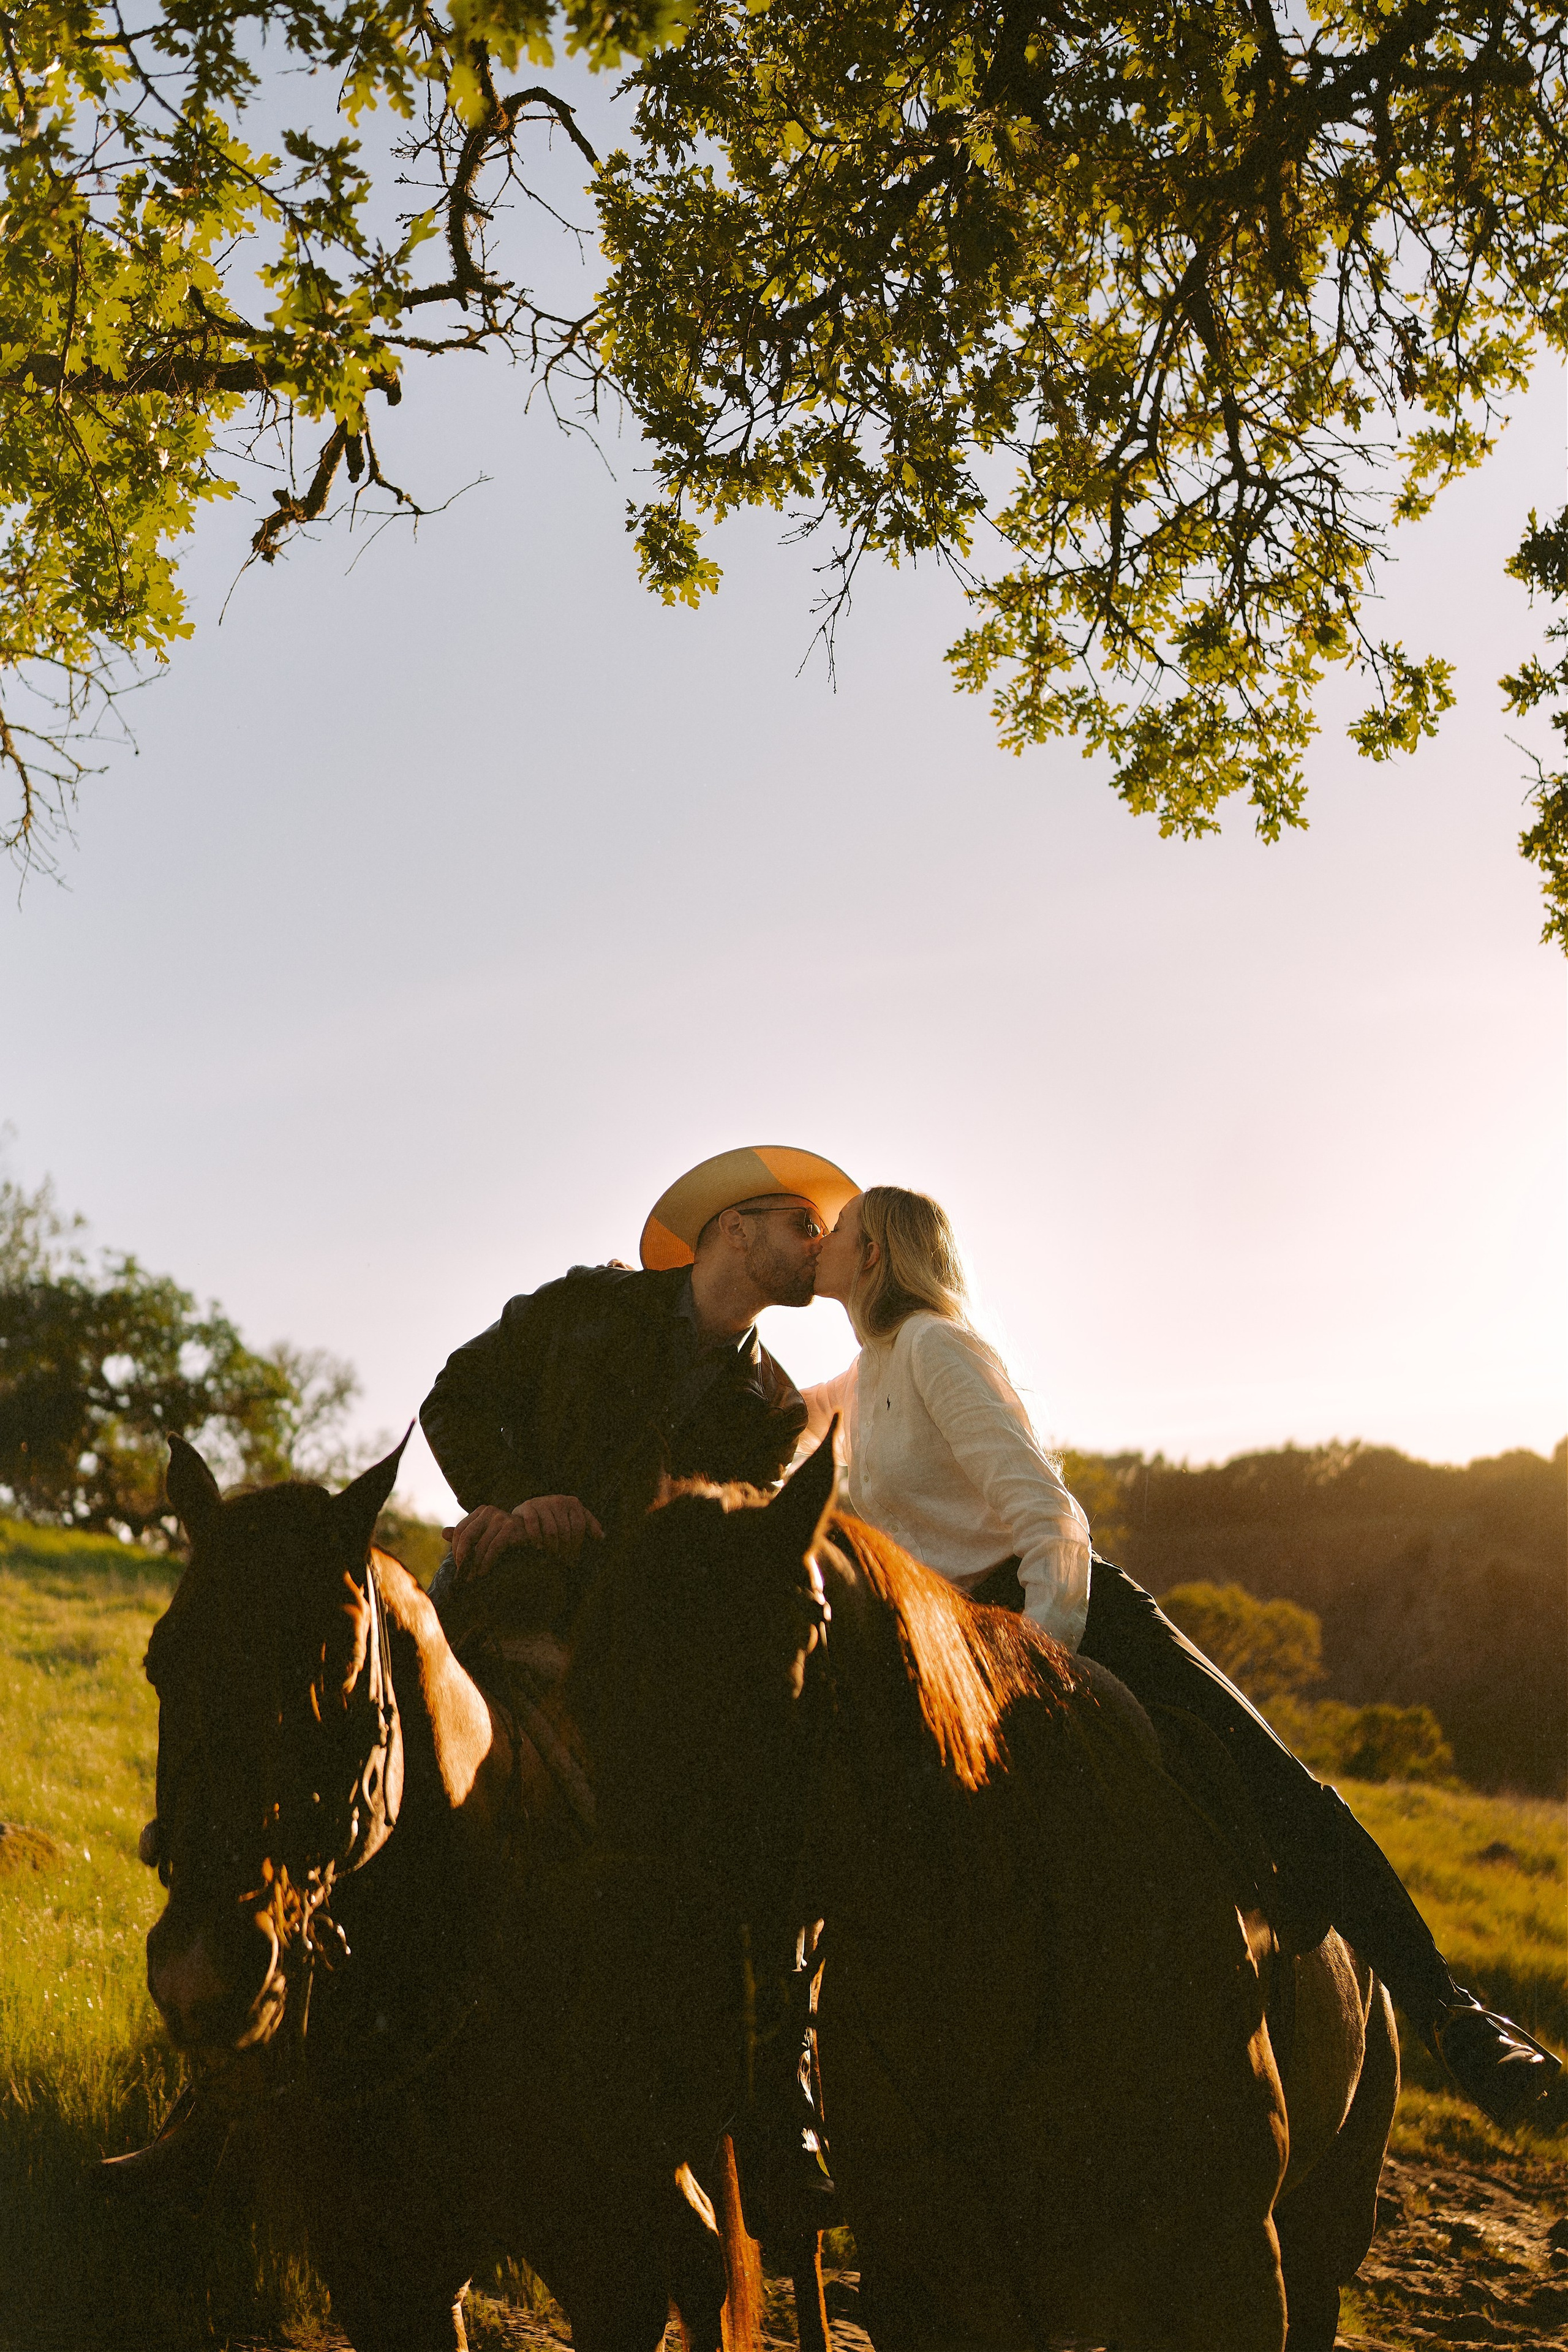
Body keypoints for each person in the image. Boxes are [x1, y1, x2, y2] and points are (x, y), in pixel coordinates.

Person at [800, 1183, 1564, 2135]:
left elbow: (1052, 1521)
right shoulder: (857, 1379)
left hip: (1057, 1621)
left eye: (834, 1229)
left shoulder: (935, 1348)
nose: (818, 1239)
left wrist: (1041, 1661)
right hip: (942, 1657)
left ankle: (1453, 2015)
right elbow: (761, 1415)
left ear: (874, 1253)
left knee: (1272, 1780)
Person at [422, 1144, 856, 1624]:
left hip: (637, 1640)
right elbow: (455, 1397)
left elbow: (725, 1555)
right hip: (501, 1590)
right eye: (807, 1226)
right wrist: (515, 1497)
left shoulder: (778, 1410)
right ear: (737, 1228)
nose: (822, 1244)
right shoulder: (585, 1300)